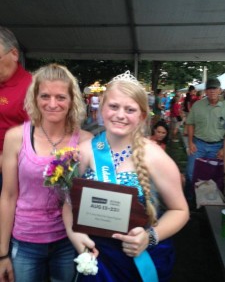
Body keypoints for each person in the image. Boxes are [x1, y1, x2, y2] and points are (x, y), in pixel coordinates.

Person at [63, 71, 189, 282]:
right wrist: (73, 233)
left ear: (141, 115)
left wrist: (149, 237)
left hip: (139, 257)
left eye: (129, 109)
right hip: (98, 257)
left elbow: (181, 210)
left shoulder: (155, 156)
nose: (120, 115)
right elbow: (68, 203)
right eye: (113, 106)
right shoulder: (84, 151)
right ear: (102, 109)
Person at [0, 63, 93, 282]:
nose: (52, 104)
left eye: (61, 97)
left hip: (67, 242)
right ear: (34, 98)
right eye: (45, 96)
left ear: (72, 101)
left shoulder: (86, 141)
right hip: (25, 242)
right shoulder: (16, 137)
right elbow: (8, 196)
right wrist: (2, 252)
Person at [0, 26, 32, 194]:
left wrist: (4, 160)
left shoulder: (32, 88)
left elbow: (39, 140)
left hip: (9, 172)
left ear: (14, 54)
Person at [185, 78, 225, 198]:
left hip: (217, 146)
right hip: (199, 144)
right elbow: (190, 123)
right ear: (205, 91)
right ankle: (190, 197)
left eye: (215, 88)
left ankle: (207, 199)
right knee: (190, 172)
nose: (212, 91)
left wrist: (223, 149)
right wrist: (191, 142)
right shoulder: (198, 105)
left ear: (220, 90)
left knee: (212, 174)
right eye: (209, 88)